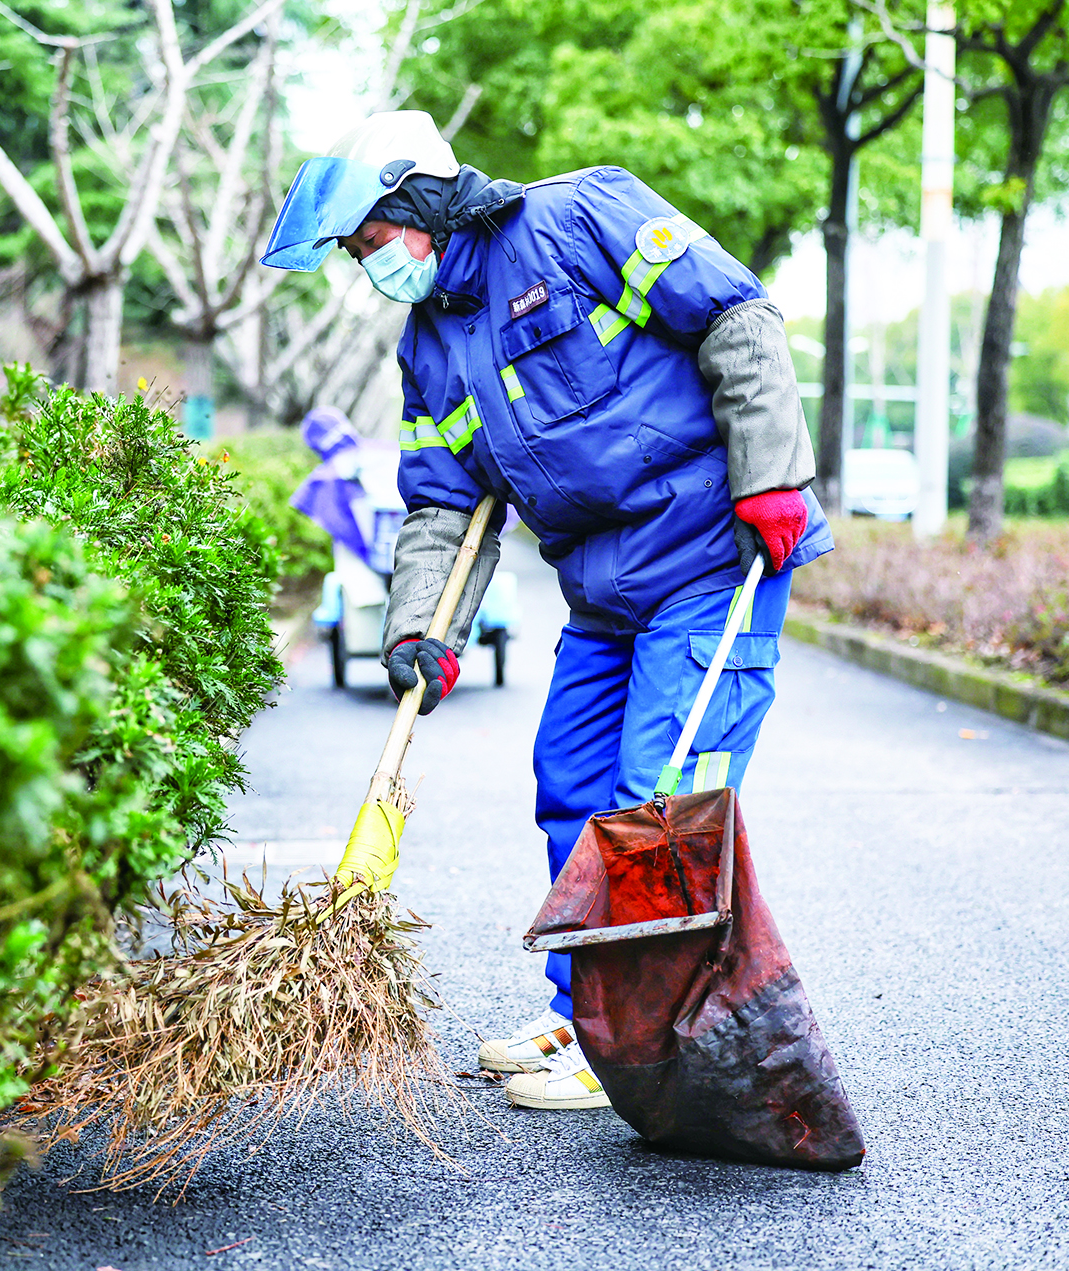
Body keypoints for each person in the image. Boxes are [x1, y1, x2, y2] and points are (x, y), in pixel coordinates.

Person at [259, 111, 831, 1111]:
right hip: (602, 591)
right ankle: (588, 1013)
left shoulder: (581, 217)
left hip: (707, 554)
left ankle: (649, 1034)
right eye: (356, 257)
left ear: (417, 201)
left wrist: (772, 474)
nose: (369, 268)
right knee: (569, 783)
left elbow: (735, 313)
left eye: (370, 242)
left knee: (659, 797)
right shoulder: (429, 347)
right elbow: (444, 499)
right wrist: (419, 632)